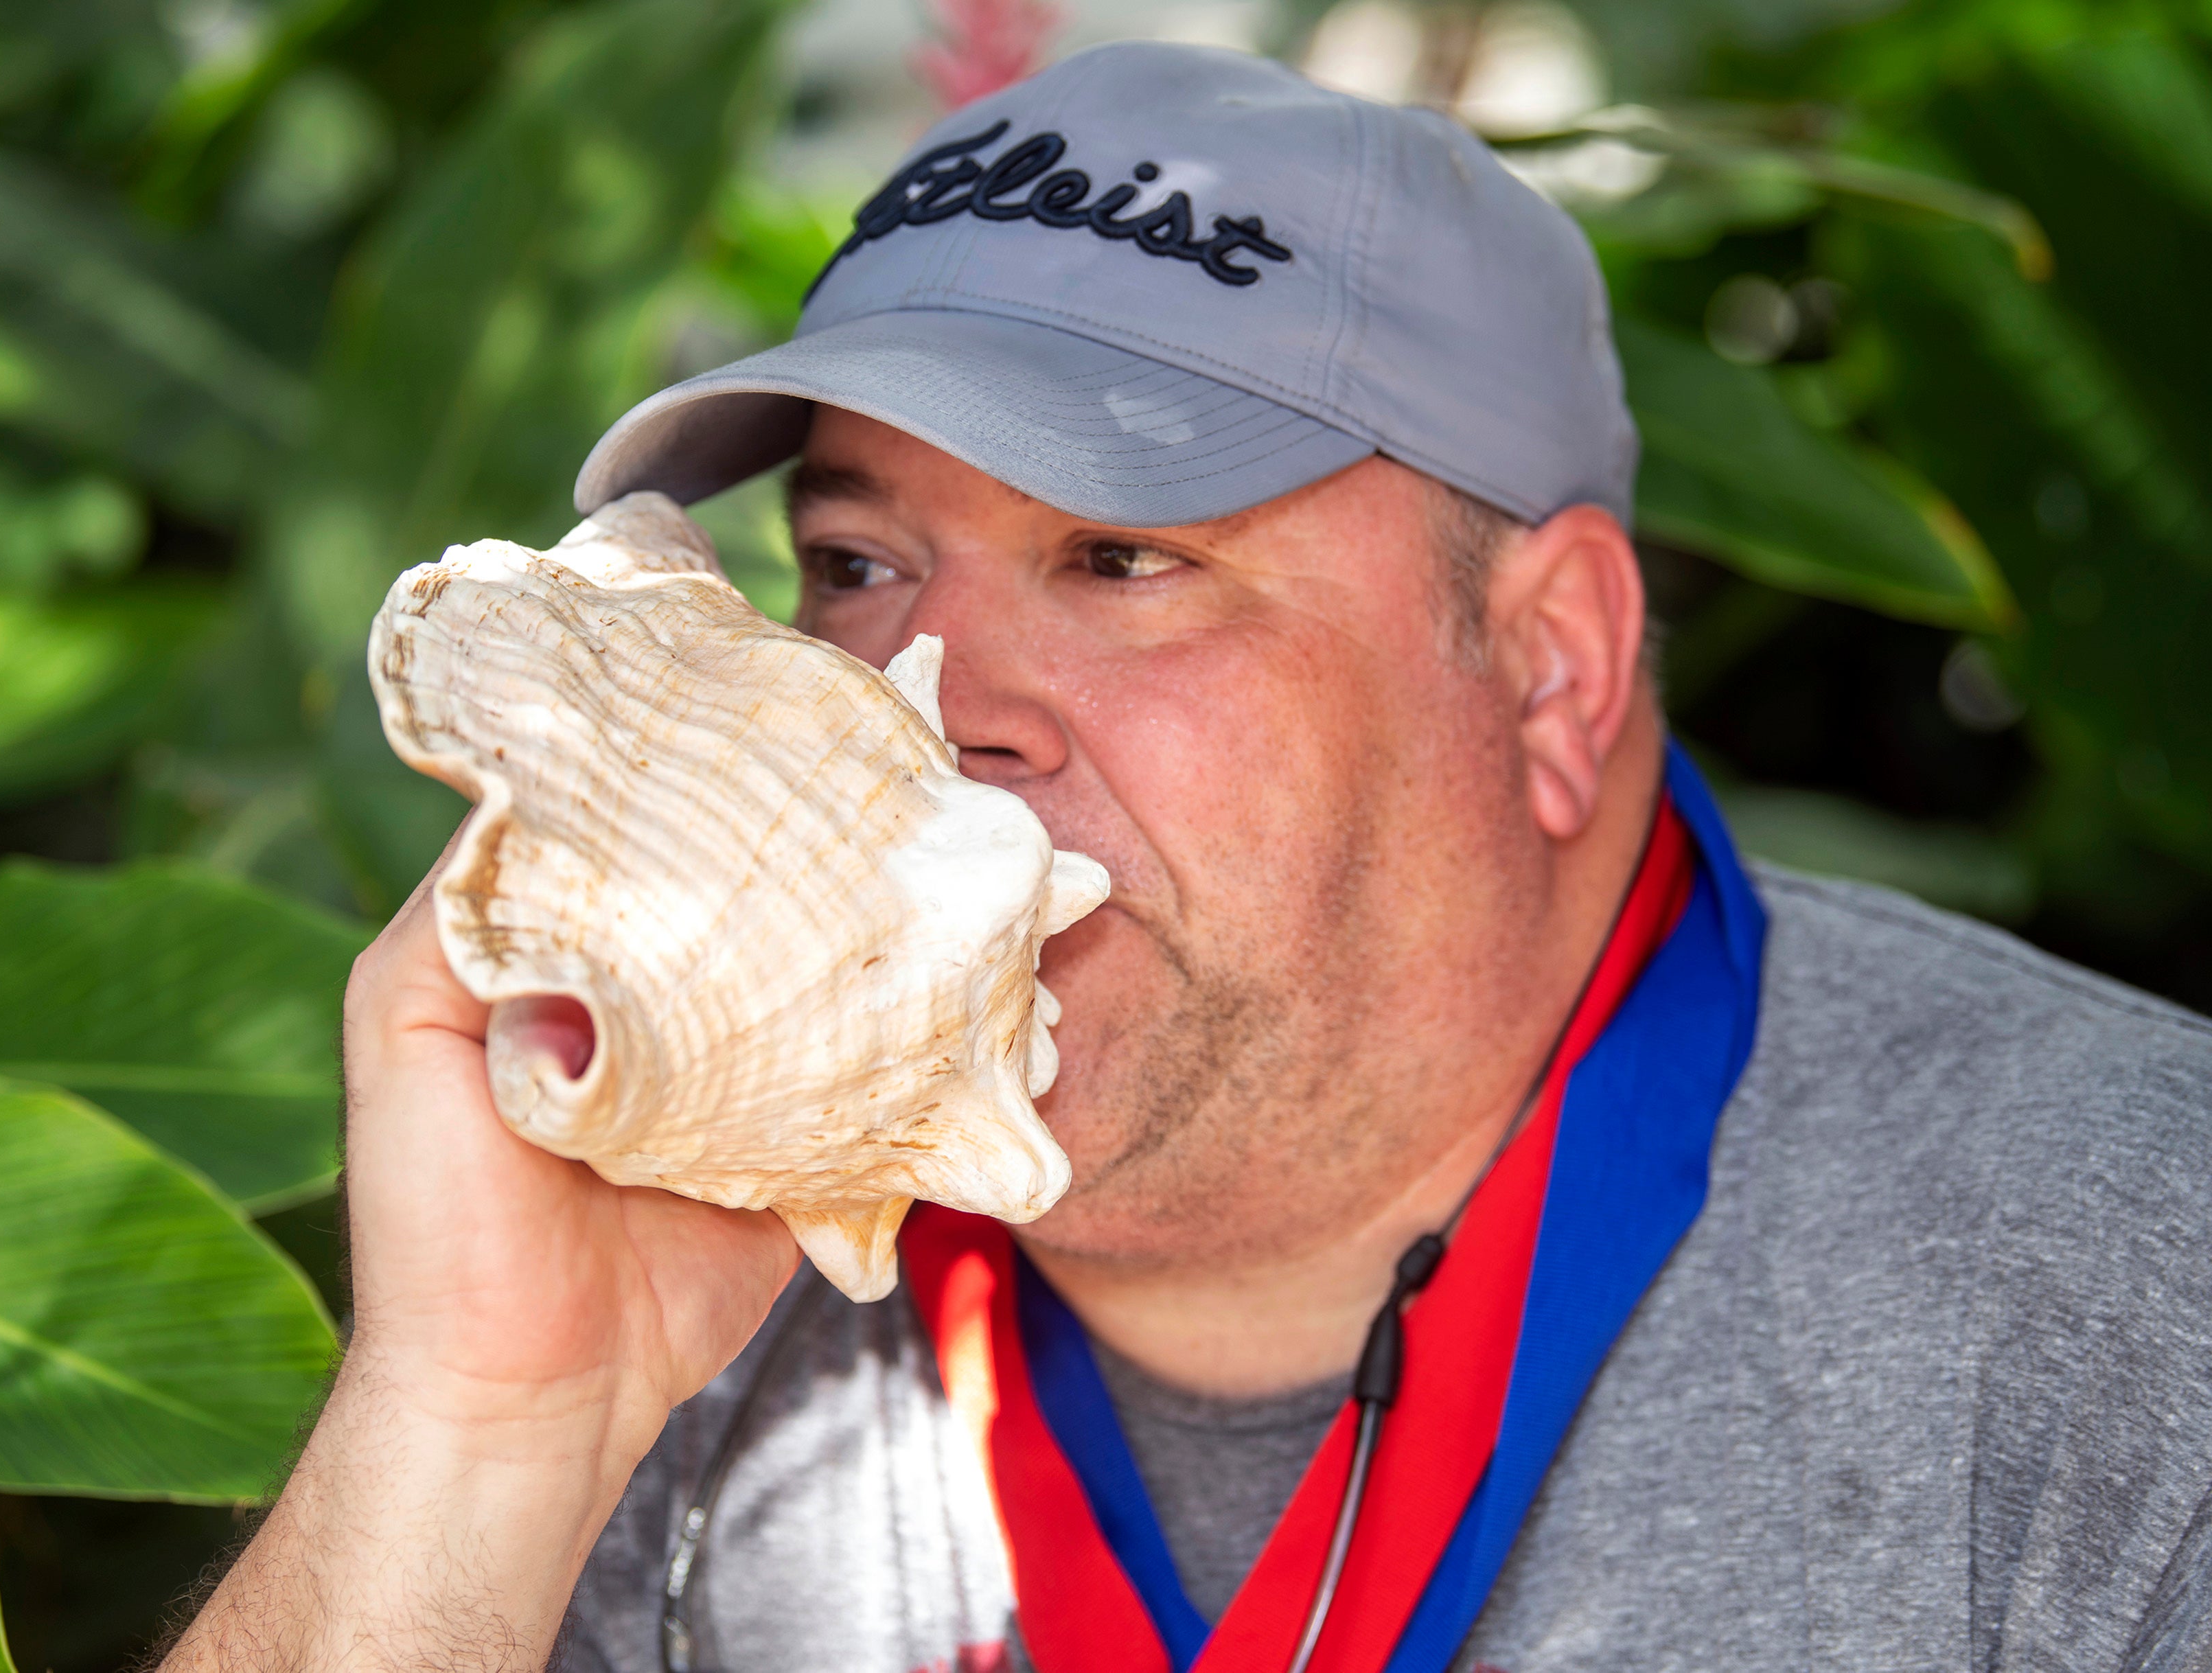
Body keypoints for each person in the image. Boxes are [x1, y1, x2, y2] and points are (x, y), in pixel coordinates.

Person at [159, 41, 2212, 1673]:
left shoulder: (2124, 1292)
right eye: (858, 563)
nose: (935, 707)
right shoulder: (685, 1284)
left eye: (1123, 558)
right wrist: (487, 1429)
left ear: (1553, 667)